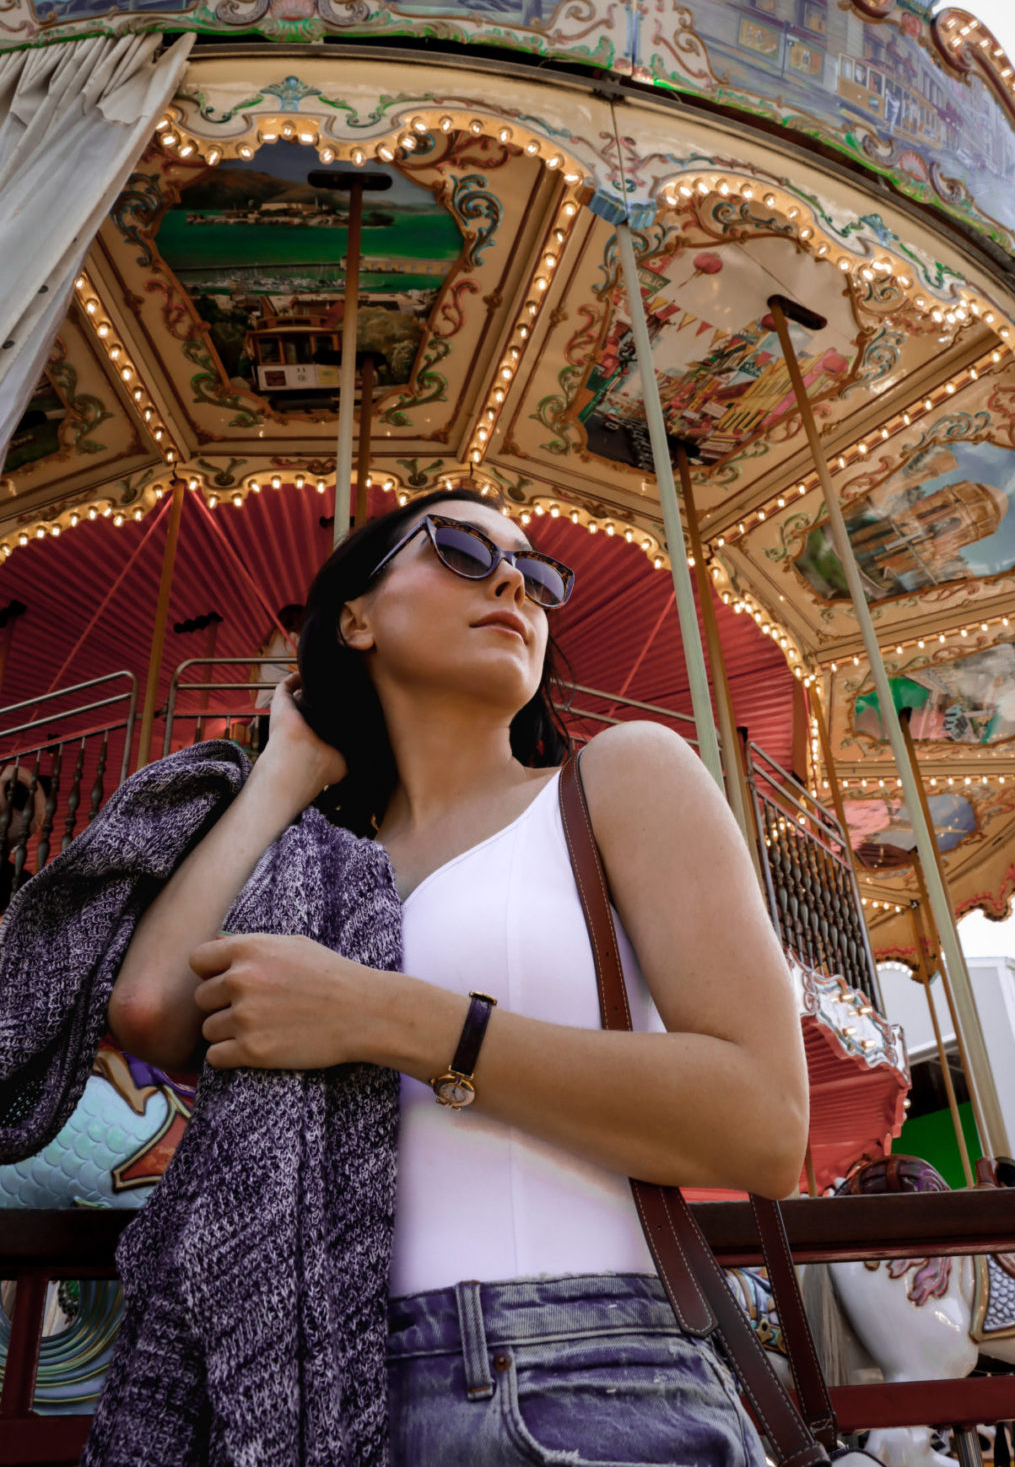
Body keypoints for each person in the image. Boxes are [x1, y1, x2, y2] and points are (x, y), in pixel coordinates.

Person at [106, 488, 808, 1465]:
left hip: (581, 1370)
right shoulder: (322, 867)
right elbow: (152, 1009)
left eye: (534, 571)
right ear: (356, 618)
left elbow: (766, 1124)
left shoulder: (619, 778)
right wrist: (282, 772)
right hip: (321, 1393)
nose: (515, 579)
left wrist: (387, 1017)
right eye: (462, 552)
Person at [250, 602, 304, 751]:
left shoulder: (268, 643)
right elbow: (301, 669)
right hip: (280, 713)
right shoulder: (291, 638)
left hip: (260, 718)